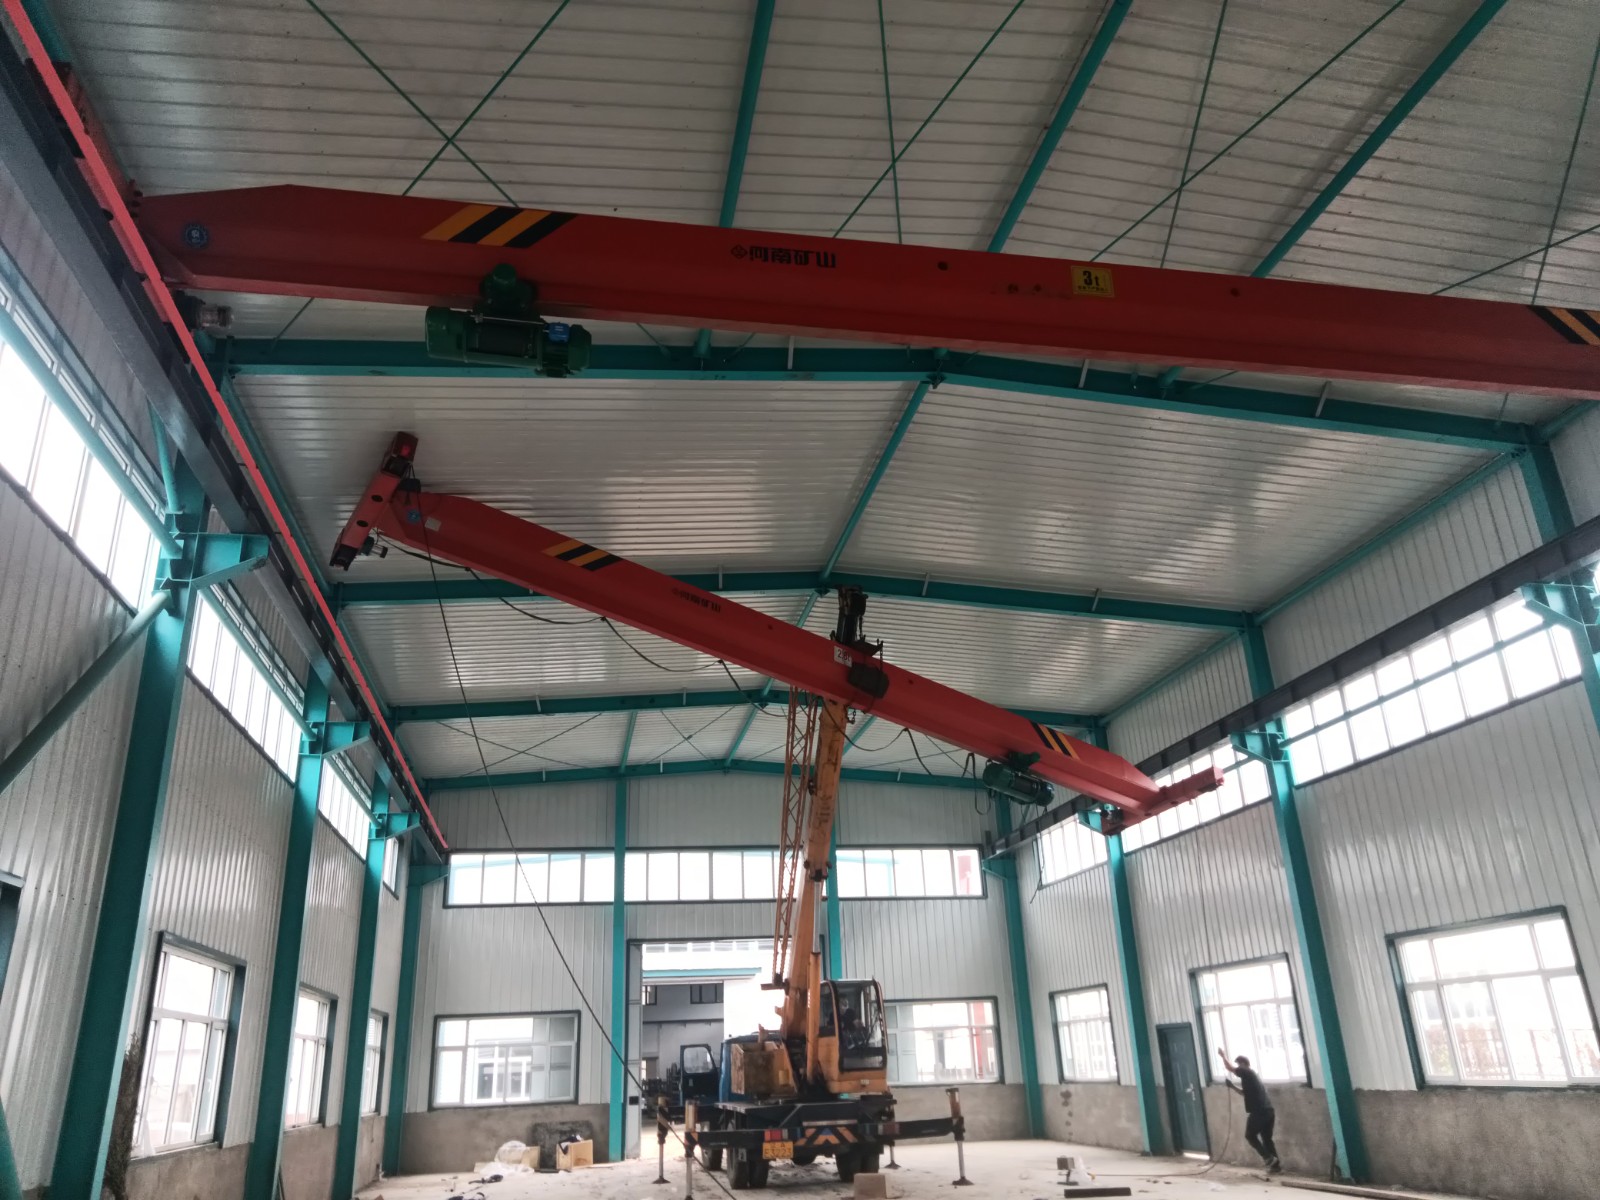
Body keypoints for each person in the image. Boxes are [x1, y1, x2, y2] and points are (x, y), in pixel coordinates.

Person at [1218, 1049, 1281, 1174]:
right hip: (1268, 1111)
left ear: (1243, 1063)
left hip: (1259, 1112)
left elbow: (1229, 1068)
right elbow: (1244, 1093)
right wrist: (1232, 1086)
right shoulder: (1251, 1077)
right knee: (1267, 1139)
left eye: (1238, 1064)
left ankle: (1268, 1158)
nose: (1238, 1067)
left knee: (1250, 1135)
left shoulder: (1245, 1071)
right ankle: (1276, 1167)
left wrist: (1223, 1056)